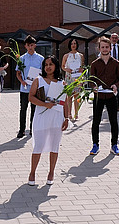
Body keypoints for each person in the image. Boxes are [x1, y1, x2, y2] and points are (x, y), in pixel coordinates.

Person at [27, 55, 70, 186]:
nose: (48, 67)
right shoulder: (38, 80)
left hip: (56, 118)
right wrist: (45, 104)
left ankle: (51, 172)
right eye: (46, 64)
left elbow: (65, 102)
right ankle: (32, 172)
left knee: (54, 146)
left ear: (56, 66)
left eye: (51, 64)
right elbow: (30, 97)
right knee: (38, 145)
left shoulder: (61, 83)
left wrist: (67, 118)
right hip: (41, 118)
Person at [90, 36, 119, 155]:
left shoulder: (116, 63)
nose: (105, 49)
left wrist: (116, 85)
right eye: (102, 47)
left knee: (113, 121)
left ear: (110, 48)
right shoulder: (94, 64)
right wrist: (93, 87)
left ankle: (114, 145)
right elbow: (91, 80)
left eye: (106, 47)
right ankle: (95, 145)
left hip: (111, 96)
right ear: (99, 48)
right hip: (99, 97)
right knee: (96, 121)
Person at [16, 35, 44, 138]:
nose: (30, 47)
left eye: (32, 45)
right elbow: (18, 73)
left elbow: (43, 73)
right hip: (24, 88)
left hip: (36, 88)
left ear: (35, 45)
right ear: (25, 46)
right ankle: (21, 130)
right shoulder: (22, 58)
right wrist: (22, 81)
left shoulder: (40, 58)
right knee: (23, 109)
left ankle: (33, 129)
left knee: (34, 109)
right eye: (28, 45)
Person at [61, 39, 84, 120]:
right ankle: (69, 113)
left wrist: (81, 69)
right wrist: (67, 69)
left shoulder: (80, 55)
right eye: (72, 44)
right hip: (69, 77)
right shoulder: (66, 56)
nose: (73, 45)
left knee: (77, 96)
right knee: (69, 96)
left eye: (75, 43)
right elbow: (63, 66)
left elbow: (82, 66)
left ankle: (76, 113)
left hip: (77, 77)